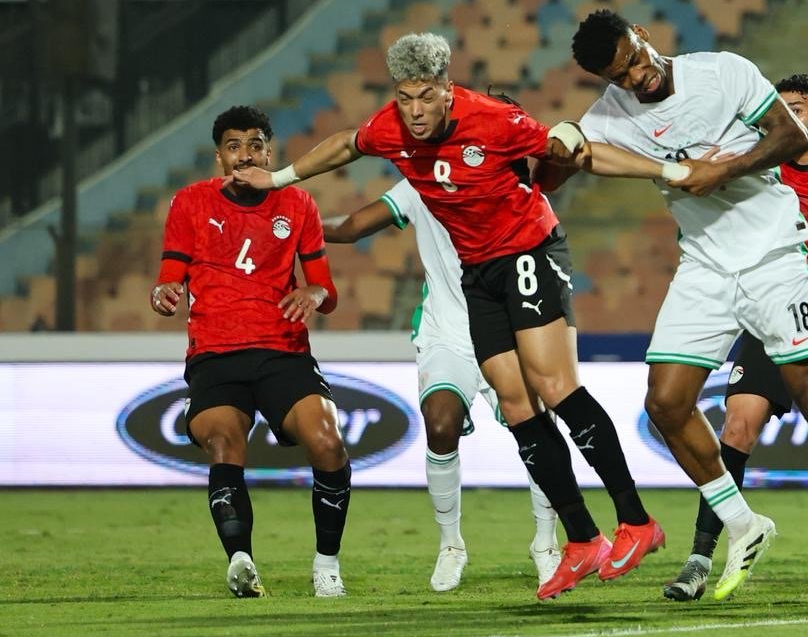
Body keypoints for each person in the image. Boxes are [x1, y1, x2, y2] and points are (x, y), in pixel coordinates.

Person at [231, 32, 687, 600]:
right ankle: (580, 538)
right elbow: (346, 145)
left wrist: (666, 173)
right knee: (517, 404)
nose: (415, 111)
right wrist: (277, 181)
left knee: (553, 385)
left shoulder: (493, 120)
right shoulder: (392, 129)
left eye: (425, 96)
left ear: (448, 90)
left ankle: (636, 520)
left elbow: (577, 152)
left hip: (529, 251)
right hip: (480, 274)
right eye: (404, 98)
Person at [562, 10, 808, 617]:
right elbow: (568, 166)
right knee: (665, 402)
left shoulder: (722, 72)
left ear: (645, 35)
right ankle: (743, 524)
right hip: (705, 267)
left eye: (635, 57)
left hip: (773, 256)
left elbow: (790, 135)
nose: (637, 76)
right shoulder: (609, 114)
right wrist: (563, 142)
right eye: (621, 74)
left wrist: (724, 169)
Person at [660, 73, 808, 604]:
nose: (787, 118)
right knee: (737, 424)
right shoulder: (759, 156)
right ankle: (701, 556)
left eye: (799, 108)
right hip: (768, 302)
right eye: (781, 109)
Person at [149, 105, 350, 599]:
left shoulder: (299, 204)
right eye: (235, 145)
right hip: (216, 354)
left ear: (269, 152)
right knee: (223, 443)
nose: (246, 155)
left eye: (256, 144)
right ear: (219, 156)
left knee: (327, 442)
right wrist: (164, 293)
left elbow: (326, 289)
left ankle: (326, 565)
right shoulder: (190, 203)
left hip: (283, 350)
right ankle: (241, 561)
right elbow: (168, 277)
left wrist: (314, 295)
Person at [323, 178, 560, 592]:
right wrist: (289, 221)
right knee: (440, 422)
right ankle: (451, 546)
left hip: (509, 333)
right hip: (446, 335)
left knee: (537, 429)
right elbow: (353, 226)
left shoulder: (512, 186)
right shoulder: (419, 181)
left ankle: (546, 543)